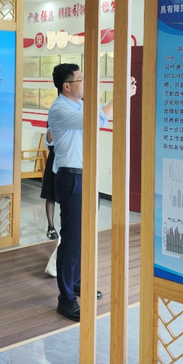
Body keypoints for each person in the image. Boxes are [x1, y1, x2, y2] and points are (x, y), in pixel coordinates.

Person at [47, 63, 136, 321]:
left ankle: (76, 283)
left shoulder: (77, 106)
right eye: (81, 79)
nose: (86, 83)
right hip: (72, 178)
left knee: (84, 237)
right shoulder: (60, 108)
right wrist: (119, 95)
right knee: (72, 240)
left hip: (86, 176)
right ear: (67, 86)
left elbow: (100, 114)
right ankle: (65, 299)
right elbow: (96, 119)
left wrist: (122, 96)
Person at [41, 128, 58, 240]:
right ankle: (51, 227)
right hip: (54, 159)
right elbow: (49, 140)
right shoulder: (53, 124)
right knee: (50, 194)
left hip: (68, 161)